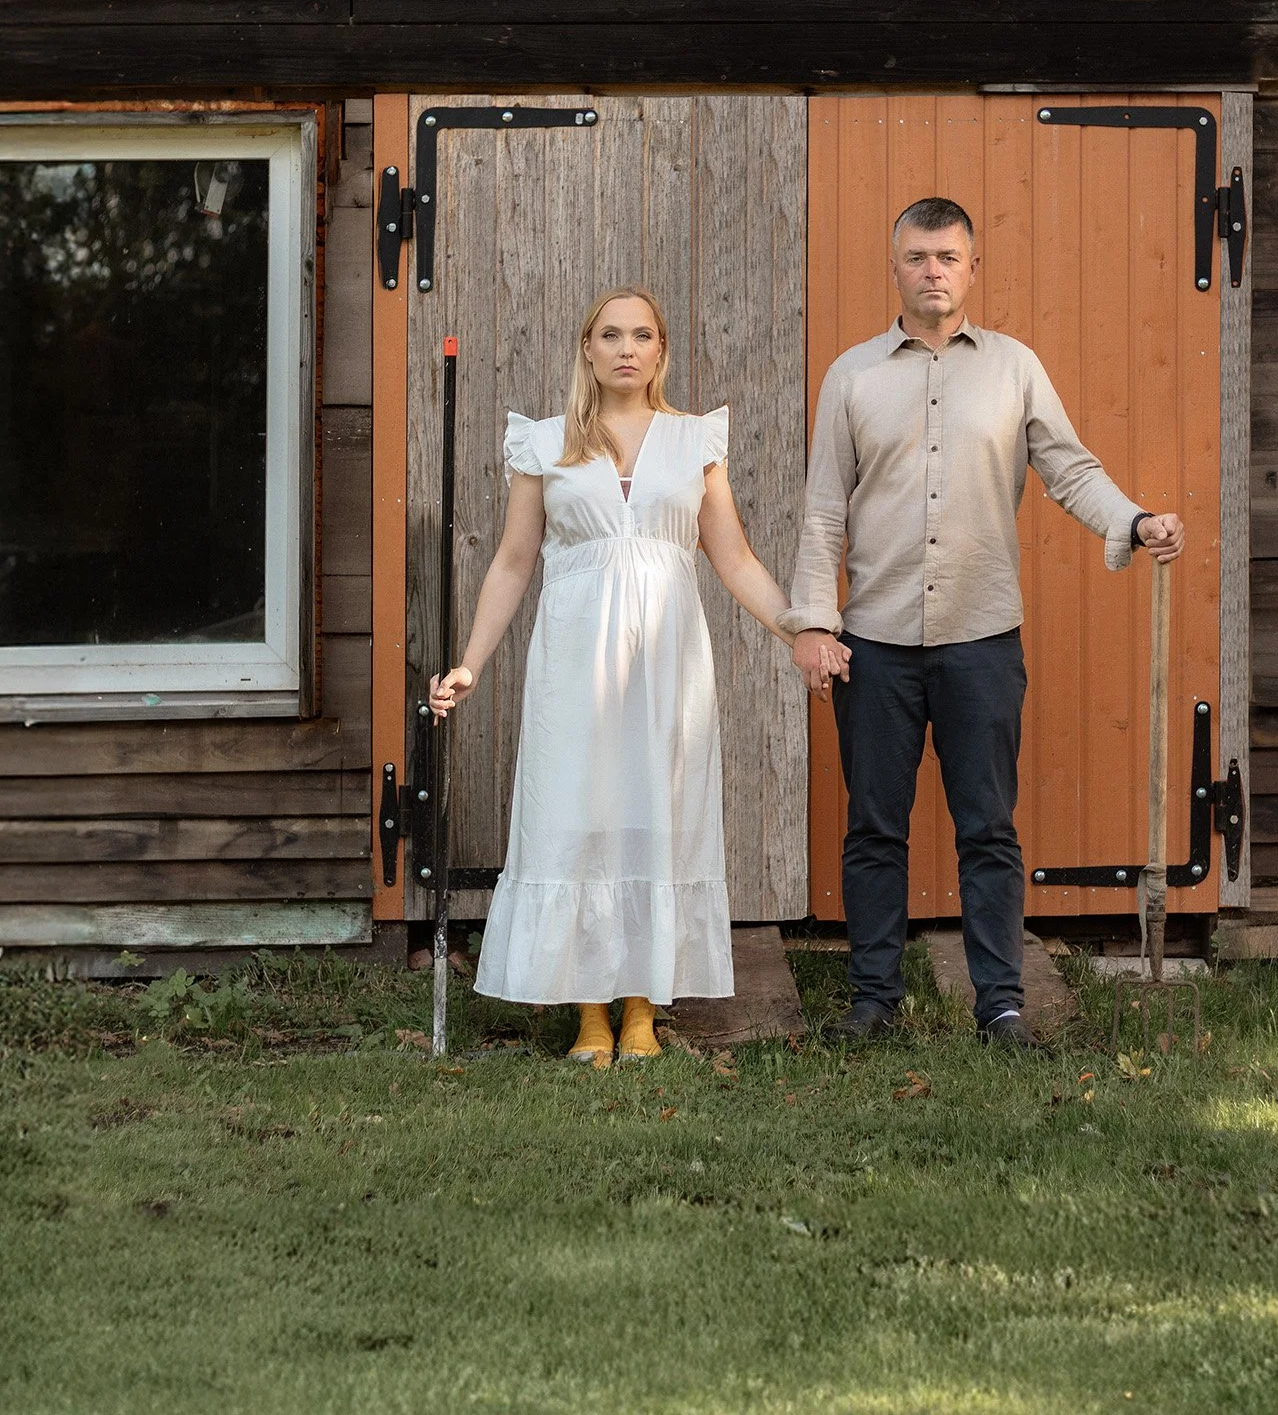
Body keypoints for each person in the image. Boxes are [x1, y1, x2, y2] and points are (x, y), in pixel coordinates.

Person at [782, 197, 1185, 1051]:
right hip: (876, 644)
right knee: (874, 828)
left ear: (973, 269)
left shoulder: (1014, 369)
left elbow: (1070, 470)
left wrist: (1135, 519)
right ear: (895, 267)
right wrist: (815, 625)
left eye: (949, 257)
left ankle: (1000, 1006)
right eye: (919, 256)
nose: (934, 271)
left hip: (981, 639)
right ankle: (873, 1002)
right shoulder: (852, 377)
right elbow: (823, 514)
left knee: (989, 831)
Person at [429, 286, 846, 1066]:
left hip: (667, 664)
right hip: (574, 664)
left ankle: (644, 1010)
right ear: (588, 348)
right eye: (611, 335)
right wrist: (470, 663)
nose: (627, 348)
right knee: (578, 818)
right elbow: (513, 563)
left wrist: (802, 628)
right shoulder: (545, 443)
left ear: (661, 351)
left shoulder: (694, 443)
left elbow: (735, 560)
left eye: (642, 335)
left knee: (661, 814)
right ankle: (590, 1012)